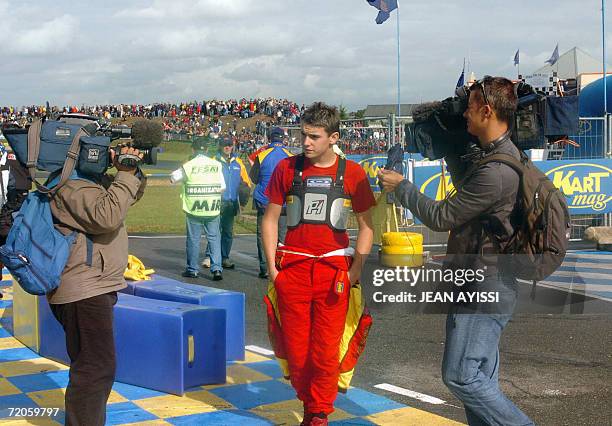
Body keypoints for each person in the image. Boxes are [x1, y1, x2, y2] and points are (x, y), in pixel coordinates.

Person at [378, 76, 534, 426]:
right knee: (481, 377)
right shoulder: (494, 157)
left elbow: (441, 216)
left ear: (488, 110)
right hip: (478, 277)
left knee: (462, 376)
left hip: (486, 284)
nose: (464, 114)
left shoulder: (495, 171)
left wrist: (401, 186)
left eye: (470, 107)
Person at [262, 102, 375, 425]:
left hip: (334, 274)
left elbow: (368, 227)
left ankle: (317, 413)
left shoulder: (352, 173)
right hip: (293, 271)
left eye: (313, 137)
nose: (306, 143)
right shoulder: (287, 169)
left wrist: (355, 270)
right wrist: (273, 268)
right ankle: (307, 398)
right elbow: (270, 220)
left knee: (326, 351)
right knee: (297, 352)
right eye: (303, 135)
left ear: (333, 137)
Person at [48, 146, 147, 426]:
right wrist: (125, 173)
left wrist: (131, 169)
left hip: (92, 283)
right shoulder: (72, 184)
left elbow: (129, 196)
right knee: (95, 367)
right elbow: (107, 217)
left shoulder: (86, 181)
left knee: (93, 364)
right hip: (83, 286)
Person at [170, 138, 225, 280]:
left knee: (193, 239)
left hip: (194, 207)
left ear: (193, 150)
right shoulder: (216, 164)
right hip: (212, 208)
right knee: (214, 239)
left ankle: (192, 269)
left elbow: (173, 178)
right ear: (207, 150)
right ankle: (217, 269)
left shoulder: (189, 165)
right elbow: (223, 187)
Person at [202, 136, 252, 269]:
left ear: (233, 146)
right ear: (220, 146)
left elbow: (246, 184)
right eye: (225, 144)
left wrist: (243, 200)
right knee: (214, 231)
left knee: (228, 232)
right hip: (216, 202)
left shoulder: (239, 163)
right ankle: (209, 256)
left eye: (229, 144)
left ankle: (224, 257)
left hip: (231, 203)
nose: (227, 147)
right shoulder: (213, 161)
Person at [250, 126, 292, 278]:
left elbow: (253, 177)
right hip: (284, 202)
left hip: (264, 200)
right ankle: (281, 266)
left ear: (269, 138)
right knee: (282, 236)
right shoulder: (289, 155)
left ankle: (266, 268)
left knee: (263, 235)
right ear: (283, 139)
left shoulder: (262, 155)